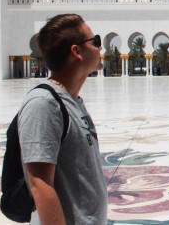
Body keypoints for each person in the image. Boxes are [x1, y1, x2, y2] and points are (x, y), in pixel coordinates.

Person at [17, 14, 107, 224]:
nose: (100, 48)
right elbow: (40, 184)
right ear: (76, 51)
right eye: (95, 42)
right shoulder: (43, 103)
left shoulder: (73, 101)